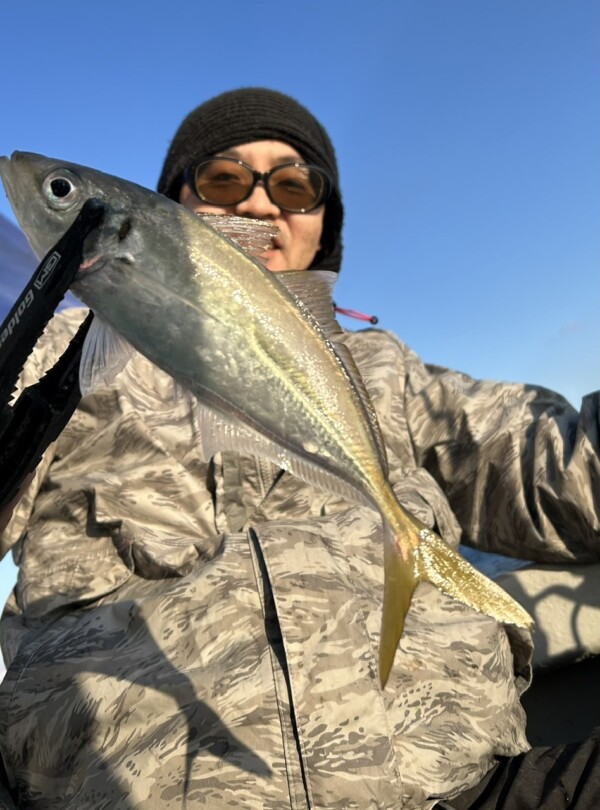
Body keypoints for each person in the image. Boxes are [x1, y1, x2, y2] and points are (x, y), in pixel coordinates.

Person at [0, 87, 598, 810]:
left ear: (324, 227)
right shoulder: (48, 356)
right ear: (168, 212)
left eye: (294, 185)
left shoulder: (383, 370)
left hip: (467, 787)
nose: (258, 205)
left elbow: (565, 474)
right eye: (222, 180)